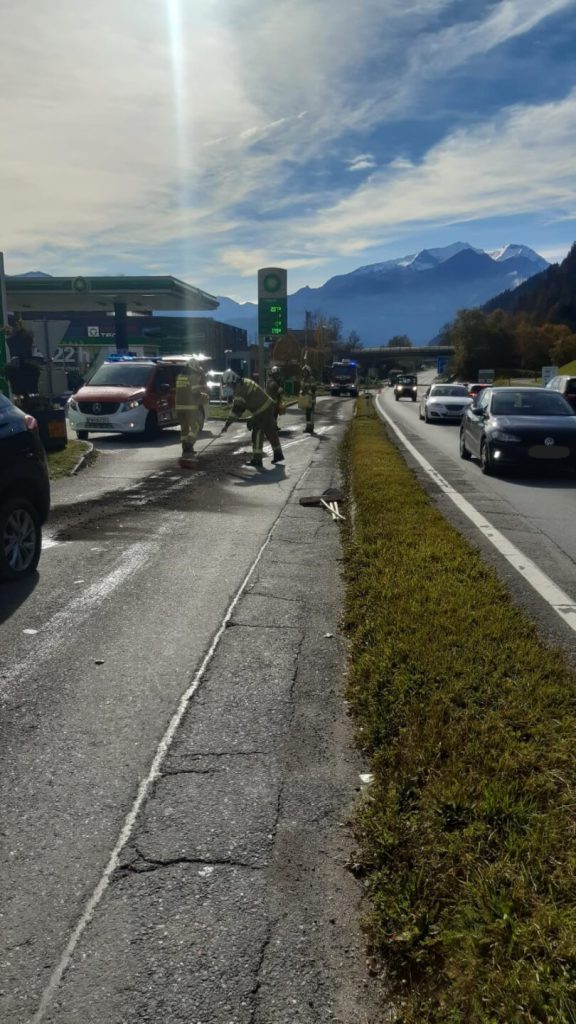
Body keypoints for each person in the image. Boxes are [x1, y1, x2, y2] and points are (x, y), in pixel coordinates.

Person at [221, 369, 284, 467]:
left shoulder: (239, 389)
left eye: (228, 384)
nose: (228, 386)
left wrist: (227, 425)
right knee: (270, 431)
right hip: (268, 406)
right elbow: (245, 401)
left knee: (257, 433)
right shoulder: (244, 381)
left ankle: (257, 460)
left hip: (261, 410)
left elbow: (237, 411)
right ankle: (278, 454)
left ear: (232, 381)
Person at [175, 360, 207, 465]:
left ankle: (185, 449)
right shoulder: (192, 376)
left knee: (184, 428)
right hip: (190, 407)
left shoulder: (179, 376)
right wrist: (204, 397)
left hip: (179, 407)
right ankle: (189, 445)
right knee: (195, 427)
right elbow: (195, 392)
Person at [299, 363, 316, 433]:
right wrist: (301, 392)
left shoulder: (311, 379)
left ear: (308, 372)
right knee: (307, 413)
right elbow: (302, 388)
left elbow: (314, 388)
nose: (304, 373)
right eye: (303, 372)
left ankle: (311, 428)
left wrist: (310, 390)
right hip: (306, 398)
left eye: (306, 372)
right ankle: (308, 427)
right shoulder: (303, 379)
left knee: (310, 412)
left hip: (311, 398)